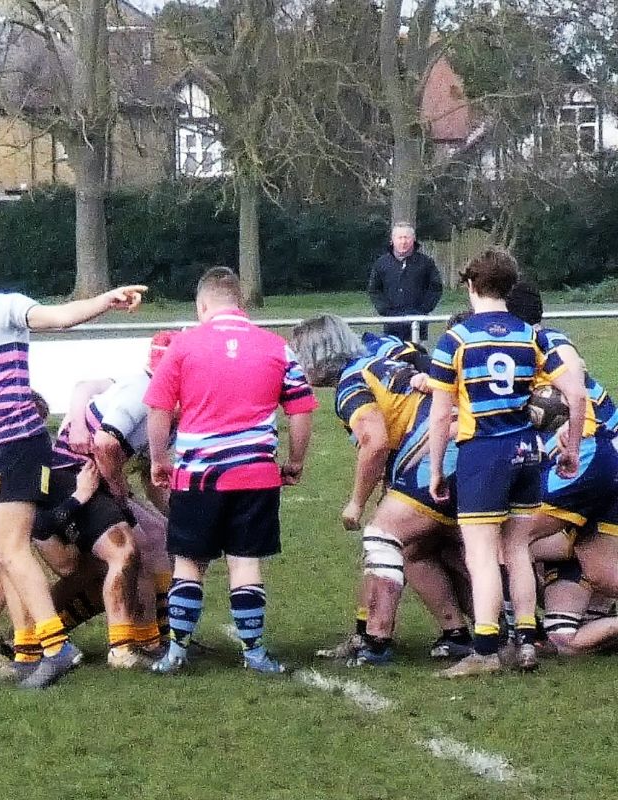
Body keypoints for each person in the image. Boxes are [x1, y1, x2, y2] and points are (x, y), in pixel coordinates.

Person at [0, 233, 146, 689]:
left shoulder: (6, 306)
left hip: (19, 443)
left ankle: (55, 647)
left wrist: (107, 299)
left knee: (11, 548)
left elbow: (60, 317)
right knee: (7, 552)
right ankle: (30, 651)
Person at [144, 266, 318, 674]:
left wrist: (158, 459)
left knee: (189, 561)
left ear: (201, 305)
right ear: (239, 303)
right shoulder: (277, 346)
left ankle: (176, 652)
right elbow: (301, 408)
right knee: (245, 562)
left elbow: (158, 408)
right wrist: (295, 460)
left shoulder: (183, 346)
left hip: (197, 474)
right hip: (254, 474)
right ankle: (254, 651)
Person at [427, 248, 587, 677]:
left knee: (481, 555)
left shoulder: (456, 339)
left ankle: (484, 649)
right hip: (529, 453)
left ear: (470, 285)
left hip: (484, 453)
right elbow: (576, 394)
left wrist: (438, 468)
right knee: (517, 548)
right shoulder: (532, 336)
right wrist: (570, 447)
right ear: (510, 286)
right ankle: (528, 640)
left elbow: (442, 414)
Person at [292, 314, 472, 666]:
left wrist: (355, 503)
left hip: (436, 456)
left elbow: (375, 442)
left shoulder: (351, 385)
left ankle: (375, 640)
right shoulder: (385, 346)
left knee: (381, 535)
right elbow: (428, 364)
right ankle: (459, 634)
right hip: (466, 442)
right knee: (416, 548)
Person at [367, 223, 443, 343]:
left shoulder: (426, 263)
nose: (403, 241)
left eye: (406, 237)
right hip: (391, 324)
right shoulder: (381, 263)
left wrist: (423, 310)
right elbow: (374, 290)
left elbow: (435, 288)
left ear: (413, 239)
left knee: (416, 358)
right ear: (392, 240)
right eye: (400, 237)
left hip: (417, 324)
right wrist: (386, 311)